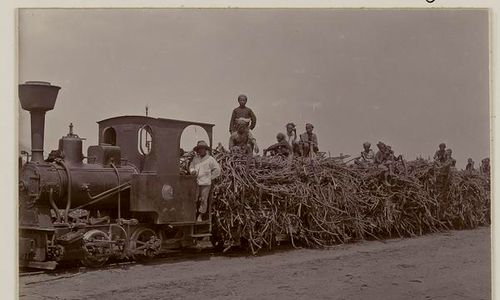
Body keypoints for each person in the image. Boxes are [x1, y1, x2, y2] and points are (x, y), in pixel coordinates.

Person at [189, 140, 221, 222]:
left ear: (205, 149)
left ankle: (200, 215)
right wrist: (192, 171)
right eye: (199, 149)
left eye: (202, 148)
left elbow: (217, 170)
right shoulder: (196, 158)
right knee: (194, 199)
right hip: (196, 182)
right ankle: (193, 214)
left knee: (203, 200)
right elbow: (191, 166)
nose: (200, 150)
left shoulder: (210, 159)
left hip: (206, 184)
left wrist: (210, 177)